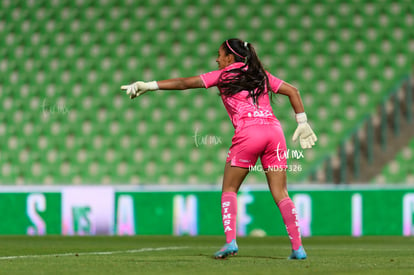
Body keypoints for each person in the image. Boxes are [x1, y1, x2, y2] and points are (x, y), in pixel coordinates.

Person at [121, 38, 317, 260]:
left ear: (230, 58)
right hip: (274, 132)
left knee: (230, 189)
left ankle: (230, 242)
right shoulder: (260, 74)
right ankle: (298, 248)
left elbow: (185, 83)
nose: (217, 59)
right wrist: (302, 122)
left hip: (249, 134)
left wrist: (150, 84)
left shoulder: (224, 75)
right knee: (281, 193)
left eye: (220, 54)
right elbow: (293, 91)